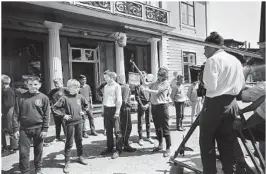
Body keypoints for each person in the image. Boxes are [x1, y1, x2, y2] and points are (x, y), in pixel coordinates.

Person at [200, 32, 245, 174]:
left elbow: (211, 86)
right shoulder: (235, 60)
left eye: (206, 48)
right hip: (232, 104)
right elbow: (241, 85)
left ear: (212, 46)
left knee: (207, 143)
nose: (204, 52)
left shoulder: (213, 60)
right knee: (227, 143)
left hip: (214, 104)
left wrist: (203, 81)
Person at [13, 76, 50, 174]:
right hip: (24, 129)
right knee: (23, 152)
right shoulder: (20, 98)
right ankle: (25, 171)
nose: (33, 87)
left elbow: (46, 115)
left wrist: (45, 129)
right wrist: (16, 129)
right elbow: (15, 114)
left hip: (39, 129)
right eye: (30, 84)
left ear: (40, 85)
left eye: (35, 84)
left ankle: (38, 169)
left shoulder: (44, 98)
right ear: (27, 85)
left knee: (38, 151)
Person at [52, 79, 89, 173]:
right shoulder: (64, 98)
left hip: (79, 122)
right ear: (69, 88)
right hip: (69, 124)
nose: (77, 89)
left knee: (79, 140)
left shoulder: (80, 97)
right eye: (75, 87)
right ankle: (67, 162)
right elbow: (54, 108)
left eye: (78, 87)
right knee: (69, 142)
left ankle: (80, 156)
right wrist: (63, 115)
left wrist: (83, 112)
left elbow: (87, 105)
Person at [141, 67, 172, 157]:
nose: (158, 76)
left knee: (165, 128)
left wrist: (146, 90)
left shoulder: (165, 83)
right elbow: (146, 84)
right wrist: (143, 77)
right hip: (154, 107)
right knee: (158, 127)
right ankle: (160, 145)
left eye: (160, 75)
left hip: (162, 107)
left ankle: (168, 147)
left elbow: (156, 92)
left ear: (164, 76)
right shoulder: (156, 82)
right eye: (158, 74)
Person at [100, 71, 123, 159]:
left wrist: (117, 111)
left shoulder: (117, 86)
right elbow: (104, 98)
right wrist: (103, 110)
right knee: (108, 130)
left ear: (112, 77)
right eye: (104, 78)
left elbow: (119, 100)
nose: (105, 79)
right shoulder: (105, 86)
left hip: (114, 109)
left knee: (117, 131)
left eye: (106, 78)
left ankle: (118, 150)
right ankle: (110, 147)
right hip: (107, 109)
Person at [117, 75, 136, 152]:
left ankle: (123, 142)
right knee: (127, 128)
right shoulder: (126, 87)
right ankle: (126, 144)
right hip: (125, 109)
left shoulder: (118, 86)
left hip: (119, 109)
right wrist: (131, 105)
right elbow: (124, 101)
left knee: (122, 127)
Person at [135, 71, 153, 146]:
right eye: (141, 76)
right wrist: (141, 105)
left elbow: (151, 96)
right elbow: (137, 96)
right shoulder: (138, 86)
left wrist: (148, 104)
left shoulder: (148, 86)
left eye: (144, 76)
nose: (143, 77)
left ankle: (148, 136)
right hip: (141, 105)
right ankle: (140, 137)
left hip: (148, 104)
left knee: (148, 120)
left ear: (145, 77)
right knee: (140, 121)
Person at [2, 75, 17, 152]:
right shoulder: (5, 91)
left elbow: (8, 104)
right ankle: (7, 147)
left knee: (10, 128)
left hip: (9, 112)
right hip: (6, 111)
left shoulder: (9, 91)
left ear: (3, 83)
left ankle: (14, 147)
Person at [48, 78, 66, 142]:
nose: (56, 84)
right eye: (55, 83)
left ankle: (67, 137)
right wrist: (50, 107)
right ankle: (57, 137)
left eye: (57, 83)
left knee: (64, 124)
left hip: (63, 110)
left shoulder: (65, 90)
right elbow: (49, 100)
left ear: (61, 83)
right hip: (55, 111)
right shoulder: (52, 91)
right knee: (57, 125)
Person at [96, 70, 110, 136]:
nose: (105, 77)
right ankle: (106, 129)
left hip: (113, 101)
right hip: (105, 101)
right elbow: (98, 90)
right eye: (105, 76)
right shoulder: (104, 84)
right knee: (105, 115)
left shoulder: (114, 83)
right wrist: (102, 95)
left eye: (107, 76)